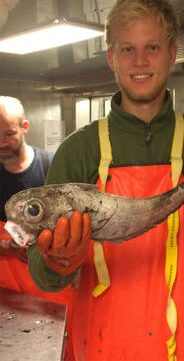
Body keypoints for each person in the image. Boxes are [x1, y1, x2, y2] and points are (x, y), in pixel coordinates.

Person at [25, 0, 184, 361]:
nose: (140, 61)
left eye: (152, 47)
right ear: (111, 58)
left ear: (172, 53)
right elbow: (43, 275)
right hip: (105, 349)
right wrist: (60, 259)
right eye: (127, 49)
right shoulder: (78, 150)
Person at [0, 96, 76, 360]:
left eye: (9, 133)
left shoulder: (53, 167)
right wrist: (7, 248)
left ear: (25, 127)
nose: (1, 142)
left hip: (57, 297)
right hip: (9, 305)